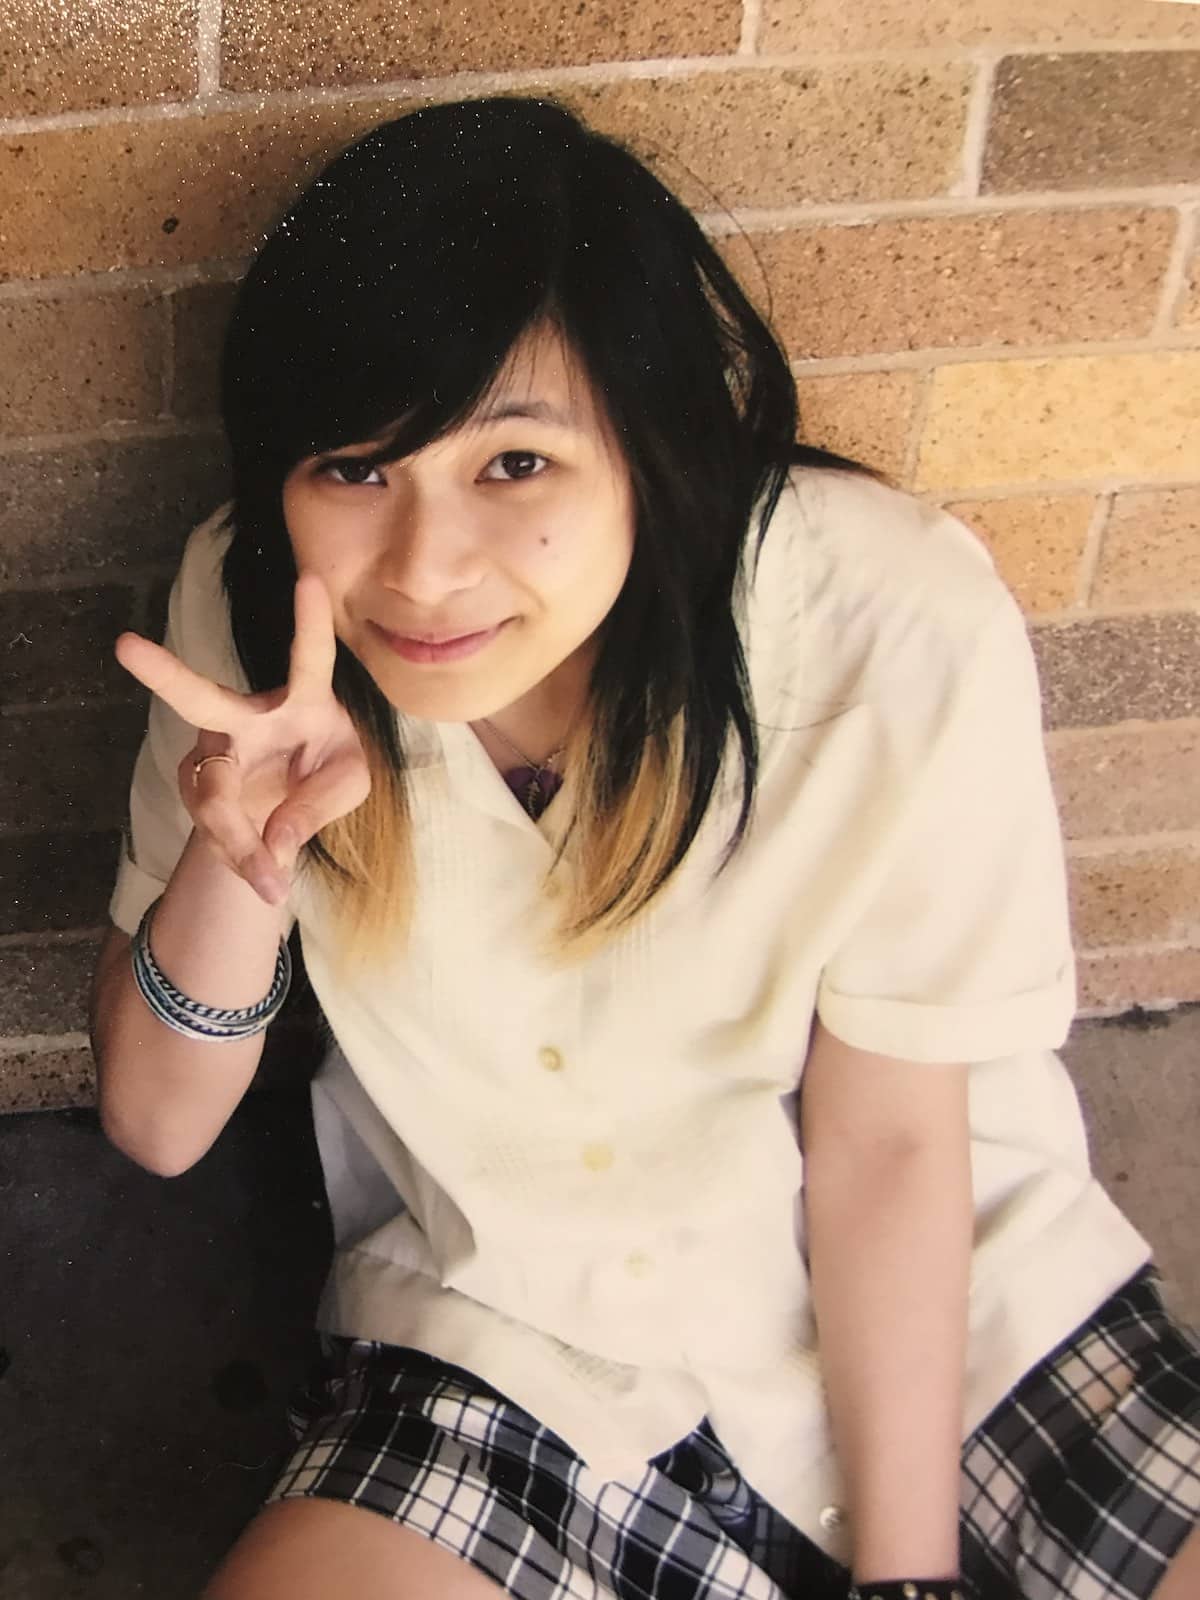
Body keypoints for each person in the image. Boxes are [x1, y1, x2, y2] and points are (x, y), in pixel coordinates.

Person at [89, 95, 1200, 1600]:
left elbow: (885, 1143)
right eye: (357, 467)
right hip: (515, 1327)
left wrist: (910, 1578)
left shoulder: (882, 619)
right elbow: (158, 1127)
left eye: (514, 466)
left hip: (958, 1299)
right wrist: (241, 861)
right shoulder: (257, 615)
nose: (420, 572)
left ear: (649, 439)